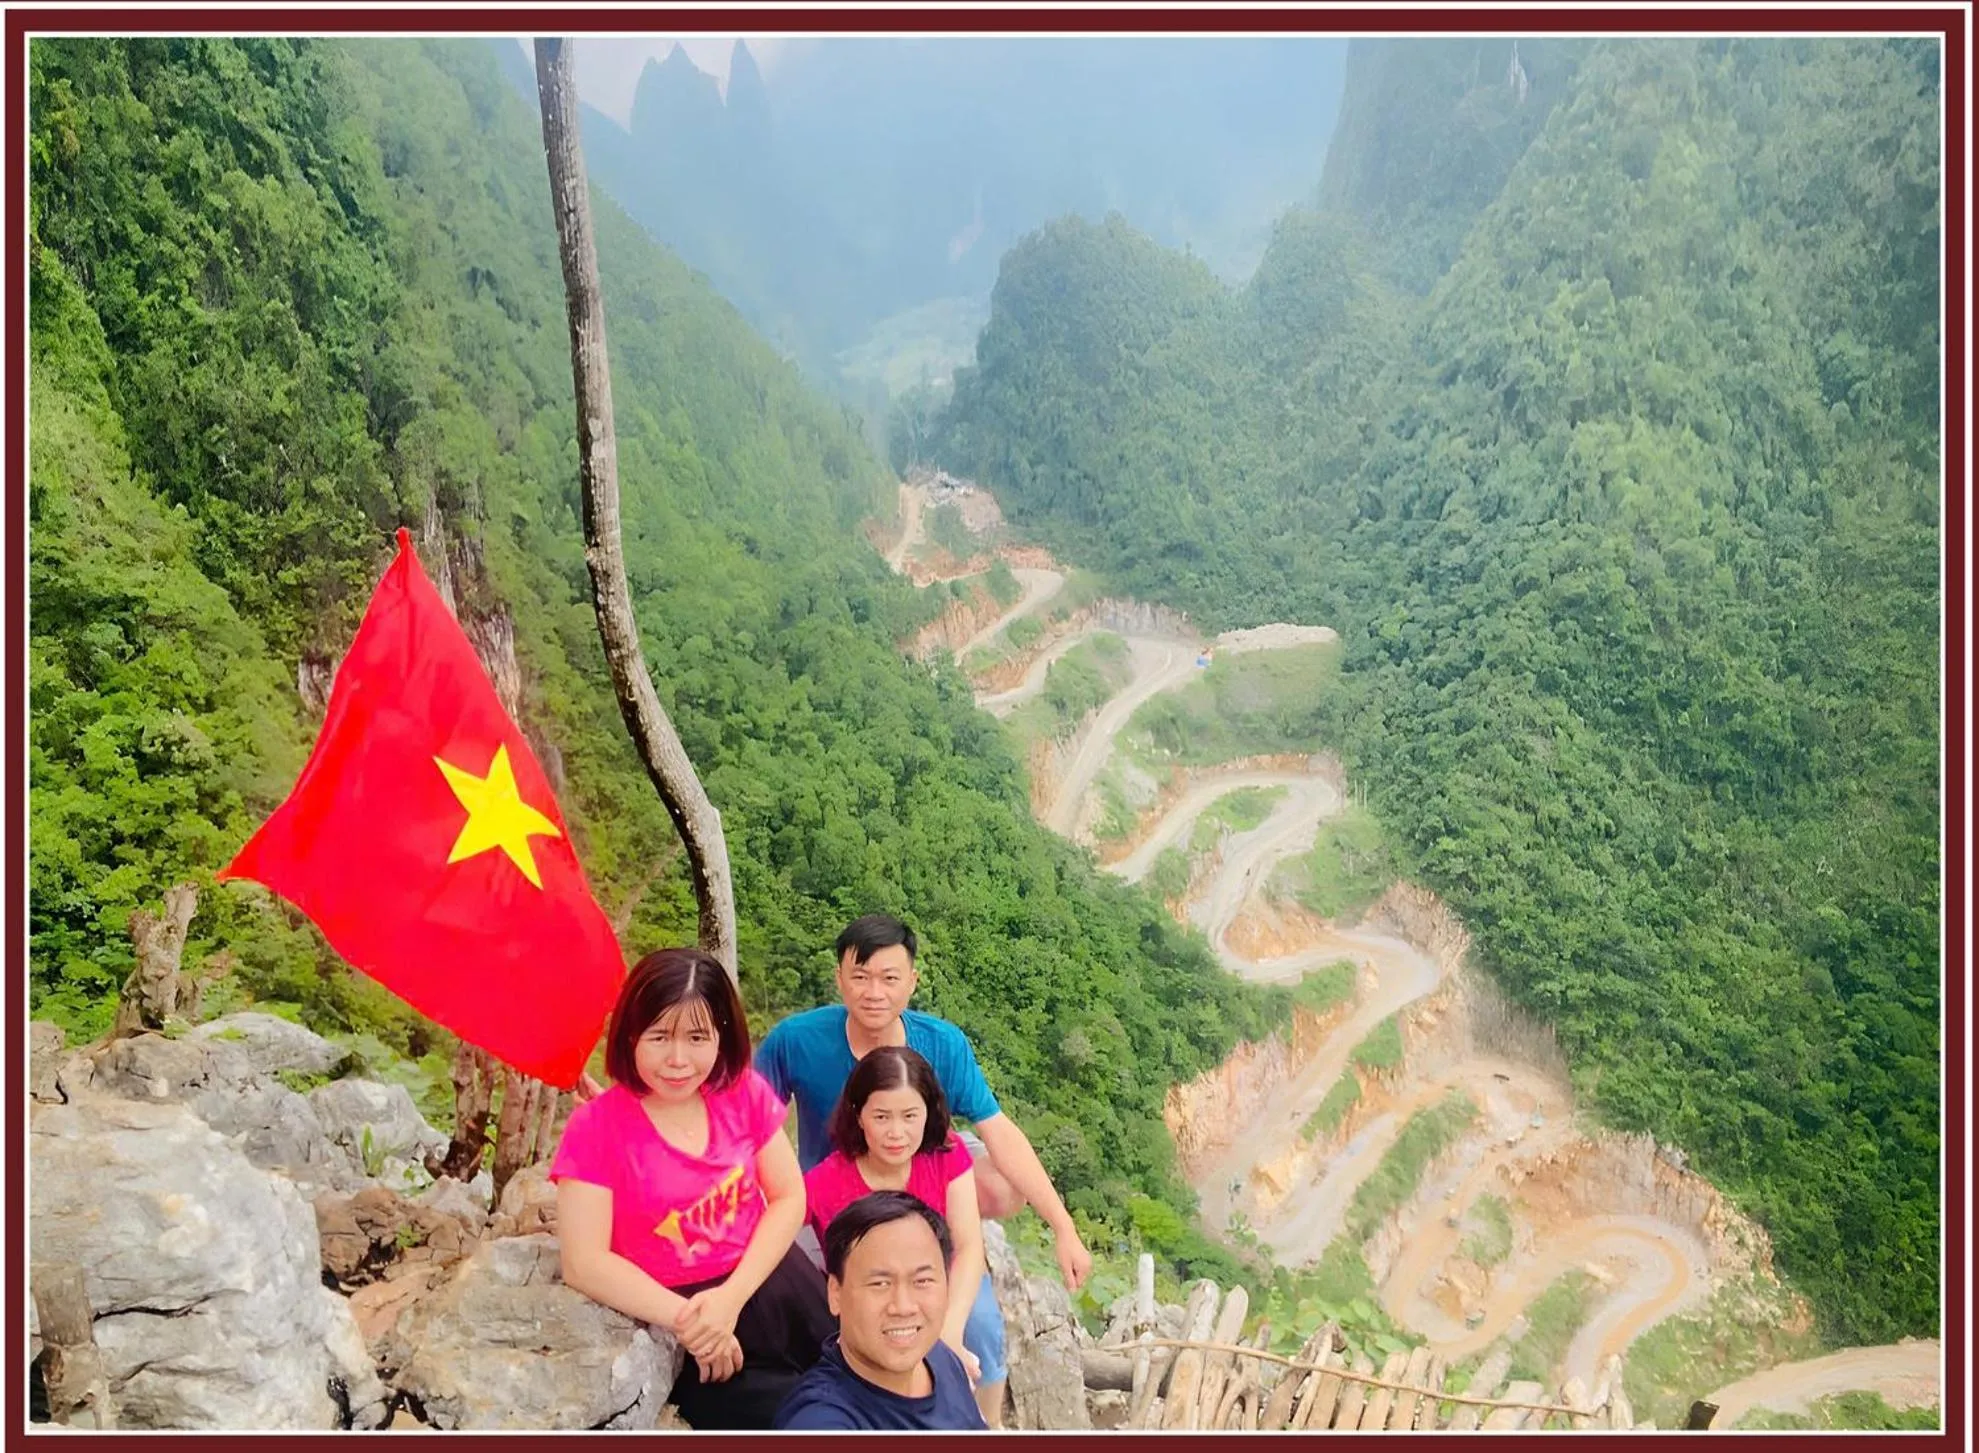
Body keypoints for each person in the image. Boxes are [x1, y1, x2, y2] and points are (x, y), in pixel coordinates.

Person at [756, 913, 1094, 1427]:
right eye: (861, 976)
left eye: (890, 978)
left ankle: (984, 1422)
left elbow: (999, 1133)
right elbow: (747, 1126)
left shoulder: (941, 1047)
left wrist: (1063, 1227)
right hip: (837, 1204)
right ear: (839, 978)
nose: (874, 992)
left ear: (912, 981)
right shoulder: (797, 1040)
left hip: (928, 1198)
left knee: (978, 1321)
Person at [550, 947, 832, 1430]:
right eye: (659, 1036)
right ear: (631, 1034)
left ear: (722, 1035)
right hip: (673, 1309)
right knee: (801, 1418)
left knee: (859, 1385)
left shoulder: (739, 1091)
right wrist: (695, 1323)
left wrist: (729, 1300)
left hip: (772, 1278)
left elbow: (788, 1198)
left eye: (697, 1037)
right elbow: (584, 1261)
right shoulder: (597, 1127)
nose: (678, 1060)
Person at [803, 1046, 986, 1383]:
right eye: (882, 1116)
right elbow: (770, 1225)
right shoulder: (825, 1183)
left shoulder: (945, 1155)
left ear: (928, 1114)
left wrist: (948, 1333)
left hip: (933, 1292)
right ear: (858, 1115)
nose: (897, 1133)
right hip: (869, 1314)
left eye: (910, 1116)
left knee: (984, 1328)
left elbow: (970, 1245)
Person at [774, 1192, 989, 1430]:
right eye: (880, 1284)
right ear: (835, 1293)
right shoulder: (820, 1422)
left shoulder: (939, 1356)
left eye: (923, 1281)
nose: (903, 1307)